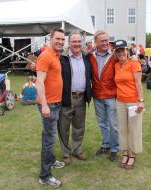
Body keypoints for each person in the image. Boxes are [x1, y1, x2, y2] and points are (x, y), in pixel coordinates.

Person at [36, 28, 65, 188]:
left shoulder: (55, 55)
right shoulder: (46, 55)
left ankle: (52, 160)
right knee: (49, 140)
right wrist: (45, 105)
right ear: (50, 38)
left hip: (56, 103)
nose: (60, 42)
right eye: (57, 39)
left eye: (62, 39)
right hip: (49, 105)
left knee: (48, 136)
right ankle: (45, 176)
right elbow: (39, 82)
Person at [58, 31, 92, 164]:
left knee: (79, 126)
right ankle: (66, 153)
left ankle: (77, 150)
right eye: (74, 42)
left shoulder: (87, 57)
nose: (77, 44)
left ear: (81, 43)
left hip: (82, 97)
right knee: (63, 127)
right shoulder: (62, 58)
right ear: (69, 43)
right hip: (67, 97)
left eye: (79, 41)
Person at [113, 40, 144, 169]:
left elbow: (138, 83)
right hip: (120, 101)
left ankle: (132, 154)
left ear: (127, 50)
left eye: (122, 50)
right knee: (122, 129)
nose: (120, 52)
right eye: (118, 50)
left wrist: (141, 101)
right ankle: (124, 152)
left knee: (134, 129)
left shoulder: (134, 63)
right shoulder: (115, 65)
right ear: (115, 52)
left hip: (133, 101)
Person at [89, 30, 119, 161]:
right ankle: (106, 145)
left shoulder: (114, 56)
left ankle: (114, 148)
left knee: (113, 124)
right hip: (97, 95)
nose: (106, 43)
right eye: (102, 41)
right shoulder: (90, 56)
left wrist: (134, 58)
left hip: (111, 95)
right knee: (102, 123)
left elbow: (126, 61)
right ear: (96, 42)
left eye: (107, 40)